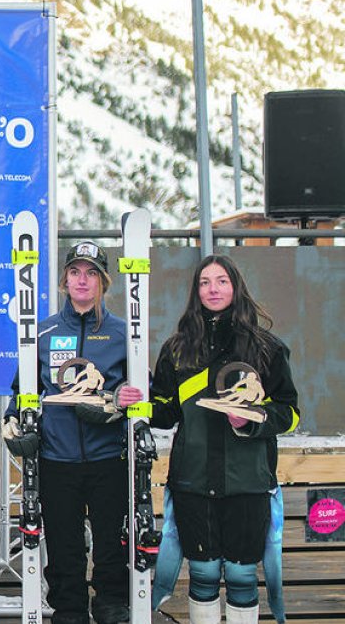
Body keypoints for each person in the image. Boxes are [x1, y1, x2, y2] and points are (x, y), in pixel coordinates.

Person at [134, 255, 298, 624]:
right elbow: (164, 412)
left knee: (242, 576)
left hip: (248, 482)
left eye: (221, 281)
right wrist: (135, 402)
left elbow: (289, 412)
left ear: (236, 287)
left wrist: (251, 421)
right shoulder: (177, 349)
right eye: (205, 282)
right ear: (196, 292)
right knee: (203, 574)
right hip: (192, 481)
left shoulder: (266, 348)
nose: (213, 289)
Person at [1, 241, 133, 624]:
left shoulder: (124, 333)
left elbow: (143, 389)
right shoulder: (43, 332)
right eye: (75, 272)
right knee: (63, 547)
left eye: (91, 273)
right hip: (57, 459)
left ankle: (111, 606)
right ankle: (70, 610)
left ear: (103, 281)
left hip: (108, 458)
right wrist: (13, 420)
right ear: (64, 280)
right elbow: (23, 390)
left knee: (111, 544)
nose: (82, 280)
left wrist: (120, 401)